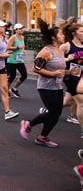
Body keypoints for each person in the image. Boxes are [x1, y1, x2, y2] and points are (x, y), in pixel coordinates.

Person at [19, 19, 73, 147]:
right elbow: (36, 69)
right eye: (61, 34)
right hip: (45, 87)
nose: (63, 36)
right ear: (54, 37)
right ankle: (28, 124)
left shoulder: (59, 50)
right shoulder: (47, 51)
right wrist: (53, 74)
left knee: (57, 113)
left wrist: (70, 72)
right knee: (54, 112)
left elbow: (58, 69)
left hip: (58, 87)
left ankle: (42, 137)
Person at [61, 21, 83, 136]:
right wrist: (67, 59)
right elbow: (55, 60)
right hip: (70, 77)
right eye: (82, 31)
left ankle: (50, 109)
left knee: (67, 102)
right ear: (75, 33)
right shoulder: (66, 46)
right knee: (81, 102)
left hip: (81, 78)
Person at [7, 23, 28, 98]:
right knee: (12, 76)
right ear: (16, 30)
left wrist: (23, 51)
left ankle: (14, 88)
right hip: (12, 60)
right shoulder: (13, 37)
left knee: (24, 75)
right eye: (20, 29)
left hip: (19, 59)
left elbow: (22, 47)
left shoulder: (22, 37)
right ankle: (6, 90)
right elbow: (7, 47)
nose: (22, 30)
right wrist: (17, 47)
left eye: (22, 28)